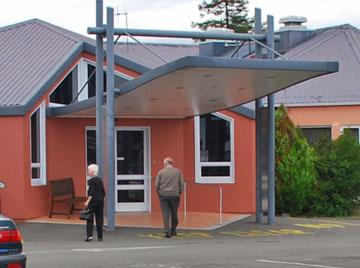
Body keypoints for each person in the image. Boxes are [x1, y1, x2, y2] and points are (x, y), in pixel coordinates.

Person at [155, 157, 184, 238]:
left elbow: (157, 184)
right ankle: (173, 230)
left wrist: (158, 192)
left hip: (163, 195)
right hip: (175, 195)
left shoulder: (161, 172)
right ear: (172, 163)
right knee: (174, 213)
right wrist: (180, 192)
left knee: (166, 214)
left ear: (165, 164)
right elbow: (181, 183)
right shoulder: (178, 172)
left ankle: (167, 231)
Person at [84, 164, 105, 242]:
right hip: (100, 201)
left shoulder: (91, 181)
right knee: (99, 218)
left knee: (89, 218)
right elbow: (103, 192)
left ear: (92, 172)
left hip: (93, 202)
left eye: (88, 170)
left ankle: (89, 236)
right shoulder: (100, 180)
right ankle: (100, 236)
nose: (87, 172)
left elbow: (91, 193)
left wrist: (87, 201)